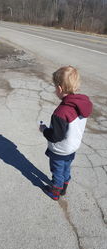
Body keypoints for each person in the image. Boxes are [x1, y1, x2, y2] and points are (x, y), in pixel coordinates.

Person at [39, 66, 93, 200]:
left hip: (60, 149)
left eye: (54, 88)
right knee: (66, 167)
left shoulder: (61, 112)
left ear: (60, 88)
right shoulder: (83, 104)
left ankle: (55, 192)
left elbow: (56, 136)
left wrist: (44, 130)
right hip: (73, 146)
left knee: (57, 170)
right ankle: (64, 187)